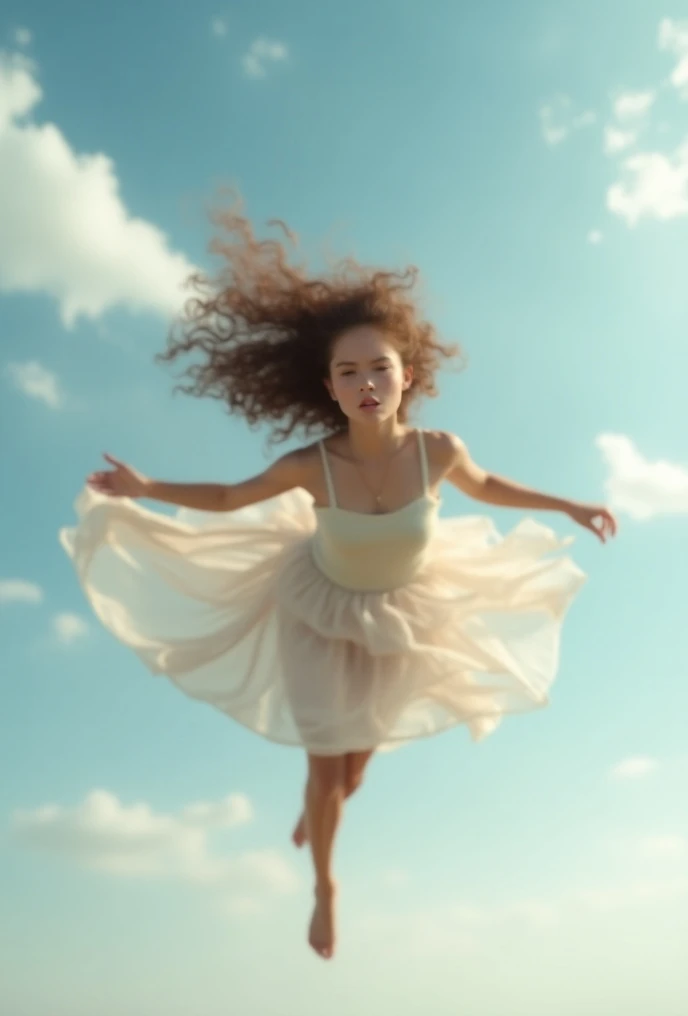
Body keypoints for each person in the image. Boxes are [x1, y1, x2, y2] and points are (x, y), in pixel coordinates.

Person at [61, 202, 617, 961]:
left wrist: (572, 503)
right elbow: (229, 499)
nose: (365, 382)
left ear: (406, 377)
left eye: (378, 368)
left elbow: (490, 489)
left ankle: (321, 802)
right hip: (317, 613)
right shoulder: (310, 464)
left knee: (354, 766)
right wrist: (146, 484)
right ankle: (325, 885)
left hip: (404, 612)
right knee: (328, 764)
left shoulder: (438, 450)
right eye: (348, 372)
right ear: (329, 387)